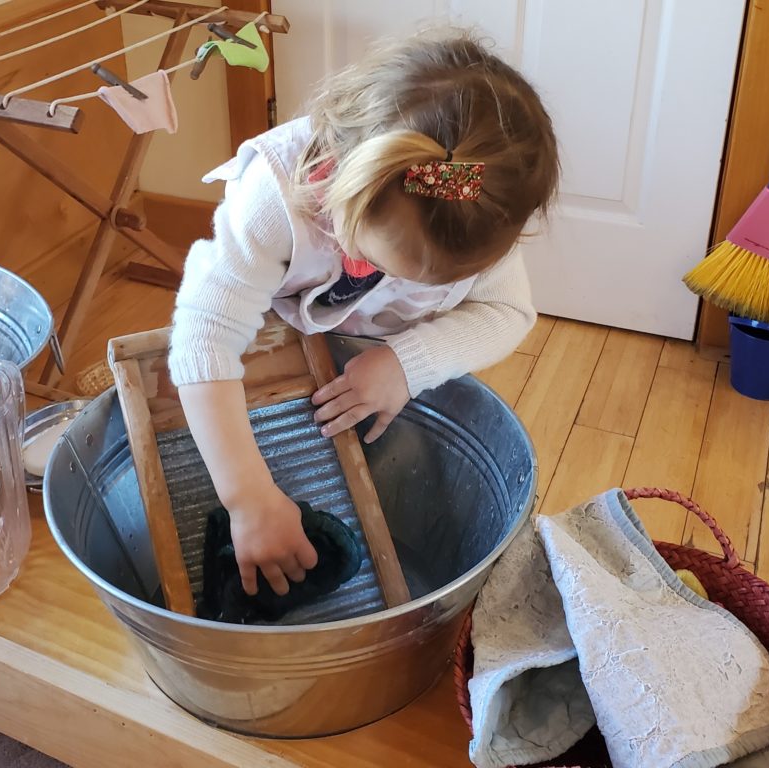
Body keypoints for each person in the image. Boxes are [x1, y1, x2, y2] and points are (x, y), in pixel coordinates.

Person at [168, 29, 559, 598]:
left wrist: (405, 363)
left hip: (374, 388)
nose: (404, 284)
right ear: (350, 192)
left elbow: (507, 313)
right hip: (263, 371)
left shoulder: (479, 212)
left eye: (436, 282)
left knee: (387, 485)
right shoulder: (275, 200)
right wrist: (247, 497)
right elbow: (206, 336)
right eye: (390, 262)